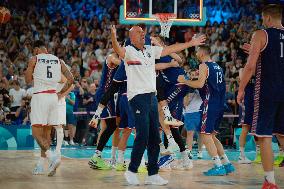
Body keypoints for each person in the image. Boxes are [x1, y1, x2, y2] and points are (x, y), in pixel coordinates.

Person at [93, 25, 205, 186]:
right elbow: (117, 49)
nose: (143, 34)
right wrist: (113, 36)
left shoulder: (150, 51)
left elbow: (171, 49)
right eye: (139, 32)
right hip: (137, 98)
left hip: (152, 97)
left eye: (143, 32)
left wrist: (190, 43)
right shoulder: (129, 52)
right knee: (143, 135)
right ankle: (131, 171)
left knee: (154, 137)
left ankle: (153, 174)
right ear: (132, 37)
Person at [237, 5, 284, 189]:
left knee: (264, 136)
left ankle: (270, 182)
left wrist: (241, 90)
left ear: (268, 18)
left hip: (267, 91)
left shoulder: (261, 34)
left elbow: (250, 67)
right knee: (281, 134)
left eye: (264, 19)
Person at [178, 46, 235, 176]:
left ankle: (218, 166)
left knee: (204, 135)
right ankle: (227, 164)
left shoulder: (204, 66)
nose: (196, 53)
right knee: (212, 135)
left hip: (210, 103)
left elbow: (199, 84)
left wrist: (185, 81)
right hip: (220, 104)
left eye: (198, 51)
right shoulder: (217, 66)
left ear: (202, 53)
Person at [25, 40, 74, 177]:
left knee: (36, 133)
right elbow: (71, 79)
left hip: (40, 96)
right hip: (53, 98)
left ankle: (52, 157)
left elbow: (27, 80)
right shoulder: (58, 60)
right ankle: (41, 165)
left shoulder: (34, 59)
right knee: (46, 135)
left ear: (36, 50)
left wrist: (31, 68)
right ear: (46, 50)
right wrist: (60, 93)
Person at [88, 53, 121, 170]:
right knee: (110, 127)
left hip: (111, 96)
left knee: (110, 127)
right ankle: (96, 156)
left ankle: (97, 156)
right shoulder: (112, 57)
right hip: (105, 95)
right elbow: (120, 63)